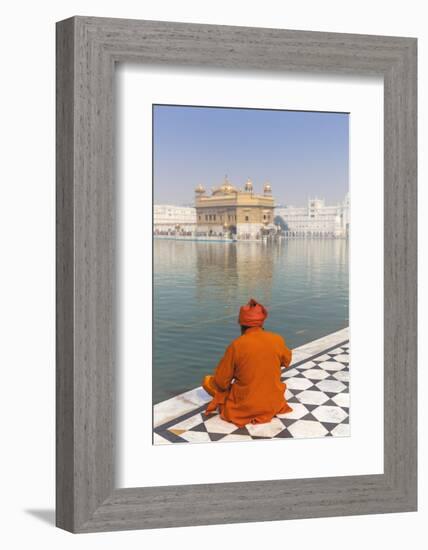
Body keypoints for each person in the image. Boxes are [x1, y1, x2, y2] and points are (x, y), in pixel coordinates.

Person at [202, 298, 293, 428]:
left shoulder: (237, 345)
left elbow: (222, 382)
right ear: (261, 323)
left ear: (241, 325)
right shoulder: (277, 339)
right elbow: (287, 360)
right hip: (274, 402)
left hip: (245, 406)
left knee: (208, 381)